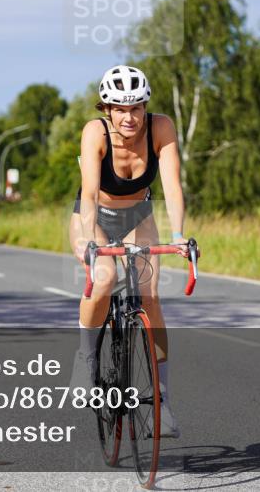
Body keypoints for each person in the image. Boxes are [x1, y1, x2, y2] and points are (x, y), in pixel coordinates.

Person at [70, 64, 188, 438]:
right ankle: (85, 360)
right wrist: (91, 240)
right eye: (120, 108)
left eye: (136, 107)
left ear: (145, 107)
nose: (129, 117)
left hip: (139, 214)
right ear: (106, 109)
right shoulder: (95, 131)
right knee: (104, 279)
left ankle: (162, 402)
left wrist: (180, 234)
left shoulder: (161, 127)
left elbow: (171, 185)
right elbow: (89, 192)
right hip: (95, 216)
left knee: (149, 296)